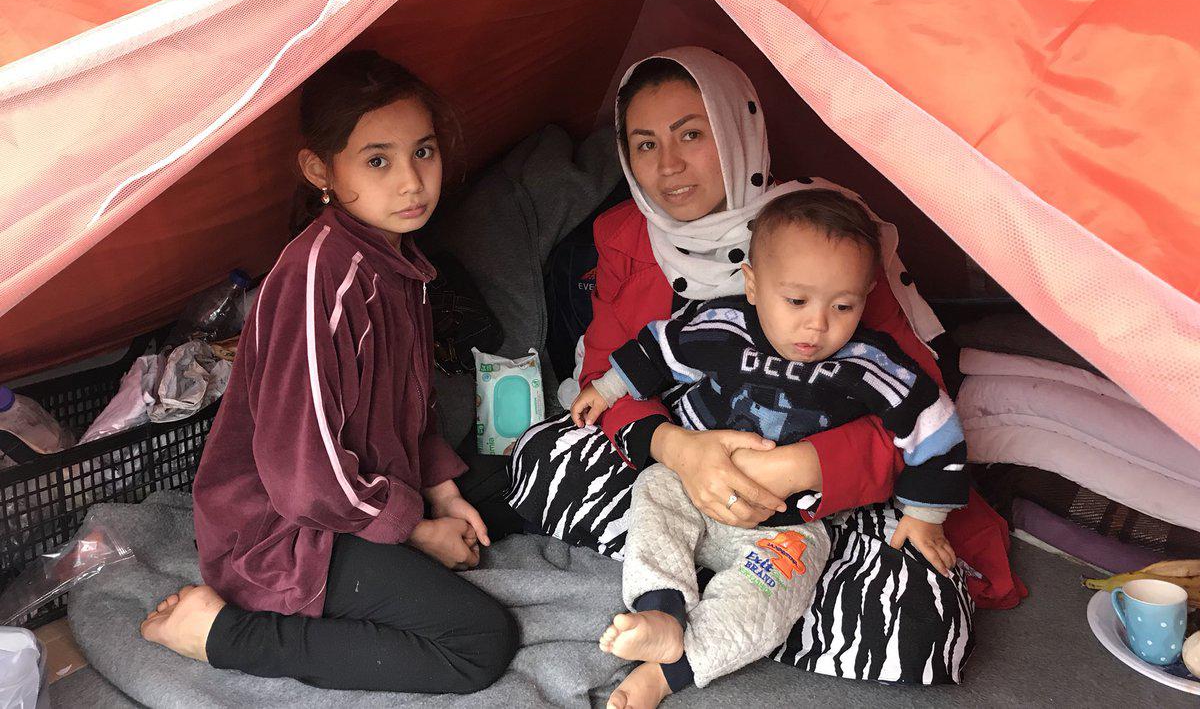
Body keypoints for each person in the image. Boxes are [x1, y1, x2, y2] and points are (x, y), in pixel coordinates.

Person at [508, 47, 999, 687]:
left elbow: (916, 408)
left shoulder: (825, 238)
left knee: (920, 620)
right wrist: (681, 450)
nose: (668, 165)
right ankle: (716, 601)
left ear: (738, 131)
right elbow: (612, 370)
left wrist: (800, 466)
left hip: (815, 501)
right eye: (646, 144)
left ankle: (717, 603)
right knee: (544, 454)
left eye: (691, 134)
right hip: (677, 464)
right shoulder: (625, 235)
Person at [139, 50, 517, 693]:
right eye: (378, 161)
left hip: (368, 491)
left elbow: (410, 408)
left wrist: (445, 493)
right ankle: (221, 633)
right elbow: (302, 477)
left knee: (524, 477)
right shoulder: (320, 276)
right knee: (480, 644)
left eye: (423, 152)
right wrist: (417, 533)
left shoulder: (396, 262)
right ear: (320, 170)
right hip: (287, 531)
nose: (412, 182)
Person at [573, 189, 968, 706]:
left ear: (866, 296)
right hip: (691, 489)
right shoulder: (725, 326)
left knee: (771, 601)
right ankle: (661, 610)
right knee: (653, 490)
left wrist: (925, 516)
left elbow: (934, 422)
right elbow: (659, 347)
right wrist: (606, 389)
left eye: (843, 306)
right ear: (753, 284)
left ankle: (668, 672)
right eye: (797, 301)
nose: (817, 325)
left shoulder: (869, 361)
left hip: (789, 525)